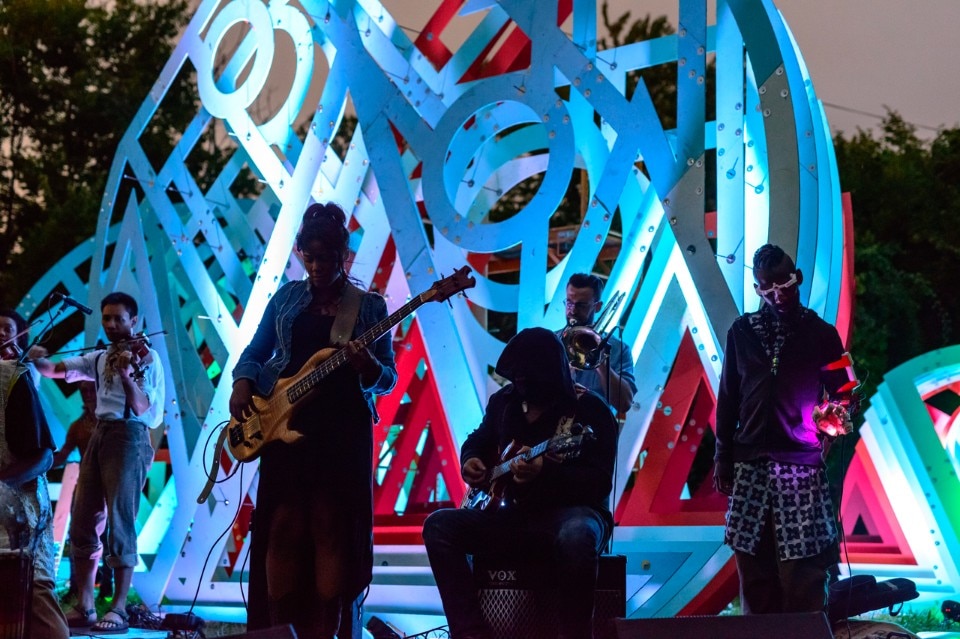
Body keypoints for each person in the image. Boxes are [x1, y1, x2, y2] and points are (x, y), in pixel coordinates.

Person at [229, 202, 398, 638]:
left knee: (329, 525)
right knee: (282, 526)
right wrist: (242, 384)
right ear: (301, 254)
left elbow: (388, 378)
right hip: (285, 428)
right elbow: (254, 352)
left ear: (344, 255)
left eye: (327, 257)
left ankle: (331, 629)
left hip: (342, 431)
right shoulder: (286, 298)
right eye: (310, 257)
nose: (318, 266)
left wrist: (368, 371)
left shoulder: (368, 306)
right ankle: (279, 628)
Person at [422, 327, 618, 639]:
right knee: (438, 526)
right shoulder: (505, 401)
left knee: (577, 535)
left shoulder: (589, 410)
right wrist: (471, 459)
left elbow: (598, 483)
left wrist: (546, 474)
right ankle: (470, 633)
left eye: (528, 378)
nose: (521, 384)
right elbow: (479, 439)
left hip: (571, 512)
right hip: (510, 514)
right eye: (517, 378)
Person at [713, 244, 855, 615]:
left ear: (798, 279)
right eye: (767, 288)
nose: (778, 295)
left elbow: (846, 389)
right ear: (758, 289)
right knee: (753, 565)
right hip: (749, 464)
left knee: (803, 571)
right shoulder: (742, 331)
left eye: (785, 285)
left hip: (800, 464)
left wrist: (832, 421)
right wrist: (722, 457)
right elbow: (727, 398)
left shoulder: (821, 333)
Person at [31, 292, 165, 633]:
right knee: (83, 519)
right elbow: (55, 370)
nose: (112, 325)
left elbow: (142, 408)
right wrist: (34, 357)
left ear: (133, 321)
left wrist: (125, 375)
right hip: (100, 433)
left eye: (119, 319)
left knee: (121, 521)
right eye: (107, 319)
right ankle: (86, 606)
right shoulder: (99, 356)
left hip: (129, 436)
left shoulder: (146, 359)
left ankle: (118, 607)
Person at [0, 329, 70, 639]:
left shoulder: (10, 377)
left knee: (45, 623)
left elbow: (43, 456)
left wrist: (2, 486)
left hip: (19, 519)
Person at [52, 381, 115, 602]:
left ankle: (107, 587)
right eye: (83, 391)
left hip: (108, 483)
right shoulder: (78, 426)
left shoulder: (108, 421)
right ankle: (77, 587)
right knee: (77, 536)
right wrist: (43, 462)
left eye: (90, 390)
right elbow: (63, 454)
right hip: (86, 485)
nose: (87, 395)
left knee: (108, 538)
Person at [559, 273, 636, 414]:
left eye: (581, 305)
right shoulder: (551, 340)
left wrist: (599, 361)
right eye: (569, 303)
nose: (573, 311)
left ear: (598, 306)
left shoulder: (619, 349)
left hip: (593, 430)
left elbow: (624, 404)